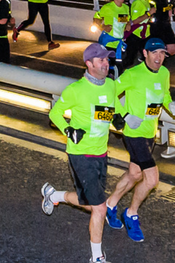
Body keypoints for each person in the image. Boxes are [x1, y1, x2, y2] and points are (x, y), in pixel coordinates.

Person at [41, 43, 119, 263]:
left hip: (101, 153)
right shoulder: (76, 90)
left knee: (89, 201)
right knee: (99, 207)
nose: (106, 63)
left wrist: (118, 117)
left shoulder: (111, 85)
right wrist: (68, 130)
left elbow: (110, 109)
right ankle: (97, 257)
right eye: (102, 60)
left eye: (107, 59)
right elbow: (55, 113)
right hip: (81, 153)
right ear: (89, 64)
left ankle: (54, 195)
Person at [104, 38, 175, 243]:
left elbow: (165, 95)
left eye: (163, 53)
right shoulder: (133, 74)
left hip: (150, 133)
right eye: (155, 53)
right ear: (145, 53)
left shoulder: (164, 73)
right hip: (133, 133)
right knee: (152, 179)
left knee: (135, 173)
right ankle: (131, 213)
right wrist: (125, 116)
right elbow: (110, 91)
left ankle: (110, 204)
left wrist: (171, 106)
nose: (159, 58)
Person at [123, 0, 157, 70]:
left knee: (148, 57)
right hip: (136, 35)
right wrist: (149, 13)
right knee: (129, 59)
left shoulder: (146, 0)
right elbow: (134, 21)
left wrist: (150, 16)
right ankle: (116, 74)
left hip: (145, 34)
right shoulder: (138, 2)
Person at [93, 0, 131, 66]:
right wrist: (102, 27)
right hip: (108, 43)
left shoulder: (126, 8)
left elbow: (124, 21)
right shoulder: (107, 8)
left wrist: (127, 24)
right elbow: (96, 18)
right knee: (105, 67)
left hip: (119, 43)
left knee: (119, 67)